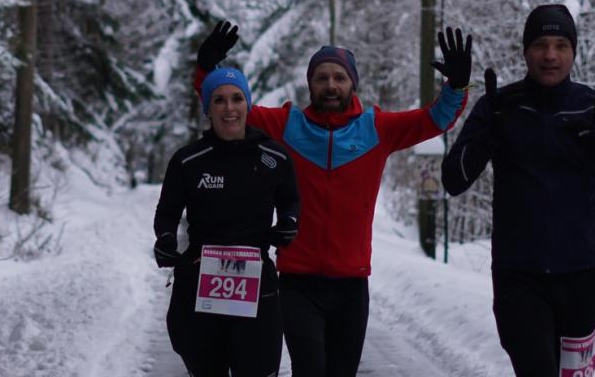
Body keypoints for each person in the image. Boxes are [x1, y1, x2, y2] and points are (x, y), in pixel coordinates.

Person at [194, 22, 472, 377]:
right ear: (309, 84)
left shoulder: (377, 129)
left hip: (351, 284)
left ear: (353, 83)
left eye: (339, 77)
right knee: (310, 368)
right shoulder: (286, 125)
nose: (330, 85)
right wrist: (207, 69)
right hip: (297, 281)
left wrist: (457, 87)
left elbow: (435, 119)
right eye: (321, 77)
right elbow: (229, 110)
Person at [441, 4, 595, 377]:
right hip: (518, 276)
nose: (550, 55)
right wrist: (490, 137)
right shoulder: (499, 106)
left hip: (581, 277)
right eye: (539, 44)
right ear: (525, 51)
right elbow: (453, 180)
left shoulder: (594, 108)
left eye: (560, 45)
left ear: (573, 52)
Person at [153, 67, 300, 377]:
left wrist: (288, 221)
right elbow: (167, 212)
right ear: (207, 108)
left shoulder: (274, 156)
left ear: (248, 104)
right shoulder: (188, 160)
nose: (229, 108)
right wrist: (165, 239)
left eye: (237, 98)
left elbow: (290, 199)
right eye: (219, 100)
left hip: (256, 282)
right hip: (199, 280)